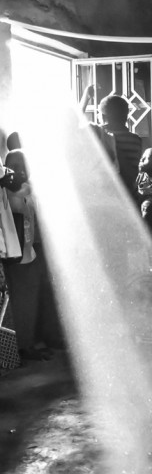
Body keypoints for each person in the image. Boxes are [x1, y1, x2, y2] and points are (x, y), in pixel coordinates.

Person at [4, 150, 51, 361]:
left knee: (29, 301)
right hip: (16, 258)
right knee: (22, 302)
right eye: (12, 166)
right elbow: (20, 208)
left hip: (29, 254)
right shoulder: (9, 193)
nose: (18, 171)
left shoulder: (29, 190)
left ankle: (27, 344)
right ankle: (24, 347)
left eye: (23, 166)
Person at [99, 95, 142, 196]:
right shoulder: (136, 139)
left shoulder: (104, 137)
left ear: (103, 116)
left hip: (108, 190)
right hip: (127, 191)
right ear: (126, 116)